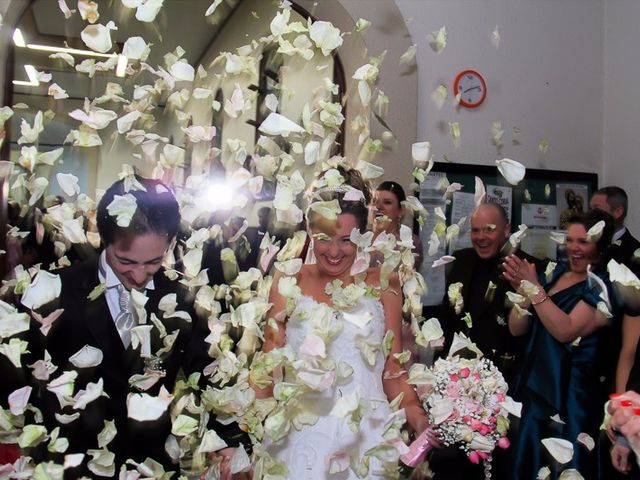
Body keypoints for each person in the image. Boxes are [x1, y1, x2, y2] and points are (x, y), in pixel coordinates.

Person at [22, 176, 248, 477]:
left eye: (154, 261)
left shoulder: (182, 296)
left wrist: (231, 442)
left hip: (154, 464)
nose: (140, 275)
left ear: (170, 243)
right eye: (126, 261)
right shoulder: (58, 291)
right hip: (74, 463)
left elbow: (205, 374)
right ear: (105, 239)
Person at [254, 168, 438, 478]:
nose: (335, 252)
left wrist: (419, 418)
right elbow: (268, 362)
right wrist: (247, 431)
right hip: (298, 436)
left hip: (367, 436)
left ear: (363, 235)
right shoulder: (288, 281)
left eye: (346, 240)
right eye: (324, 239)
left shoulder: (385, 283)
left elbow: (393, 369)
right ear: (310, 231)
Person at [430, 202, 539, 480]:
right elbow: (447, 317)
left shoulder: (523, 267)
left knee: (497, 466)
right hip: (456, 385)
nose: (480, 237)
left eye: (488, 230)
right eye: (475, 230)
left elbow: (523, 331)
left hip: (502, 387)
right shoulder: (461, 259)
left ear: (506, 231)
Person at [505, 209, 616, 479]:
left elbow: (565, 330)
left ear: (599, 246)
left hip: (567, 394)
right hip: (533, 384)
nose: (574, 248)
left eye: (583, 241)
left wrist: (536, 290)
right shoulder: (556, 274)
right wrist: (523, 296)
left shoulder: (600, 288)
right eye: (570, 240)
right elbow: (517, 329)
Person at [373, 181, 423, 270]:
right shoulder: (362, 237)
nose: (379, 206)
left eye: (387, 202)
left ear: (401, 210)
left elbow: (401, 275)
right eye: (375, 201)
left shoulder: (410, 241)